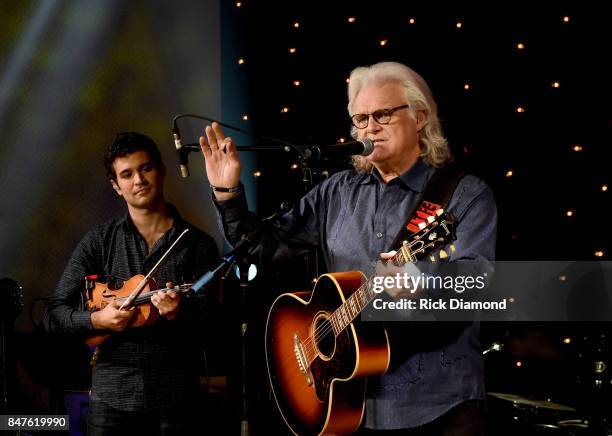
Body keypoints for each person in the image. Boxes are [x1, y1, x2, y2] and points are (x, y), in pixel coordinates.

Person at [201, 61, 496, 435]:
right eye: (360, 119)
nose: (369, 127)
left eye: (382, 115)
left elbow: (479, 283)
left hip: (439, 402)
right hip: (348, 399)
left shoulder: (465, 194)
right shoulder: (336, 191)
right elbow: (262, 249)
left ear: (419, 118)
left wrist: (422, 279)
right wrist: (227, 193)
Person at [44, 132, 218, 435]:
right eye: (127, 174)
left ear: (161, 171)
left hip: (176, 397)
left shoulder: (197, 245)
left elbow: (213, 324)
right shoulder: (99, 241)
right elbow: (54, 314)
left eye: (145, 168)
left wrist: (180, 314)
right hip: (111, 396)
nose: (138, 180)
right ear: (116, 187)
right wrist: (96, 319)